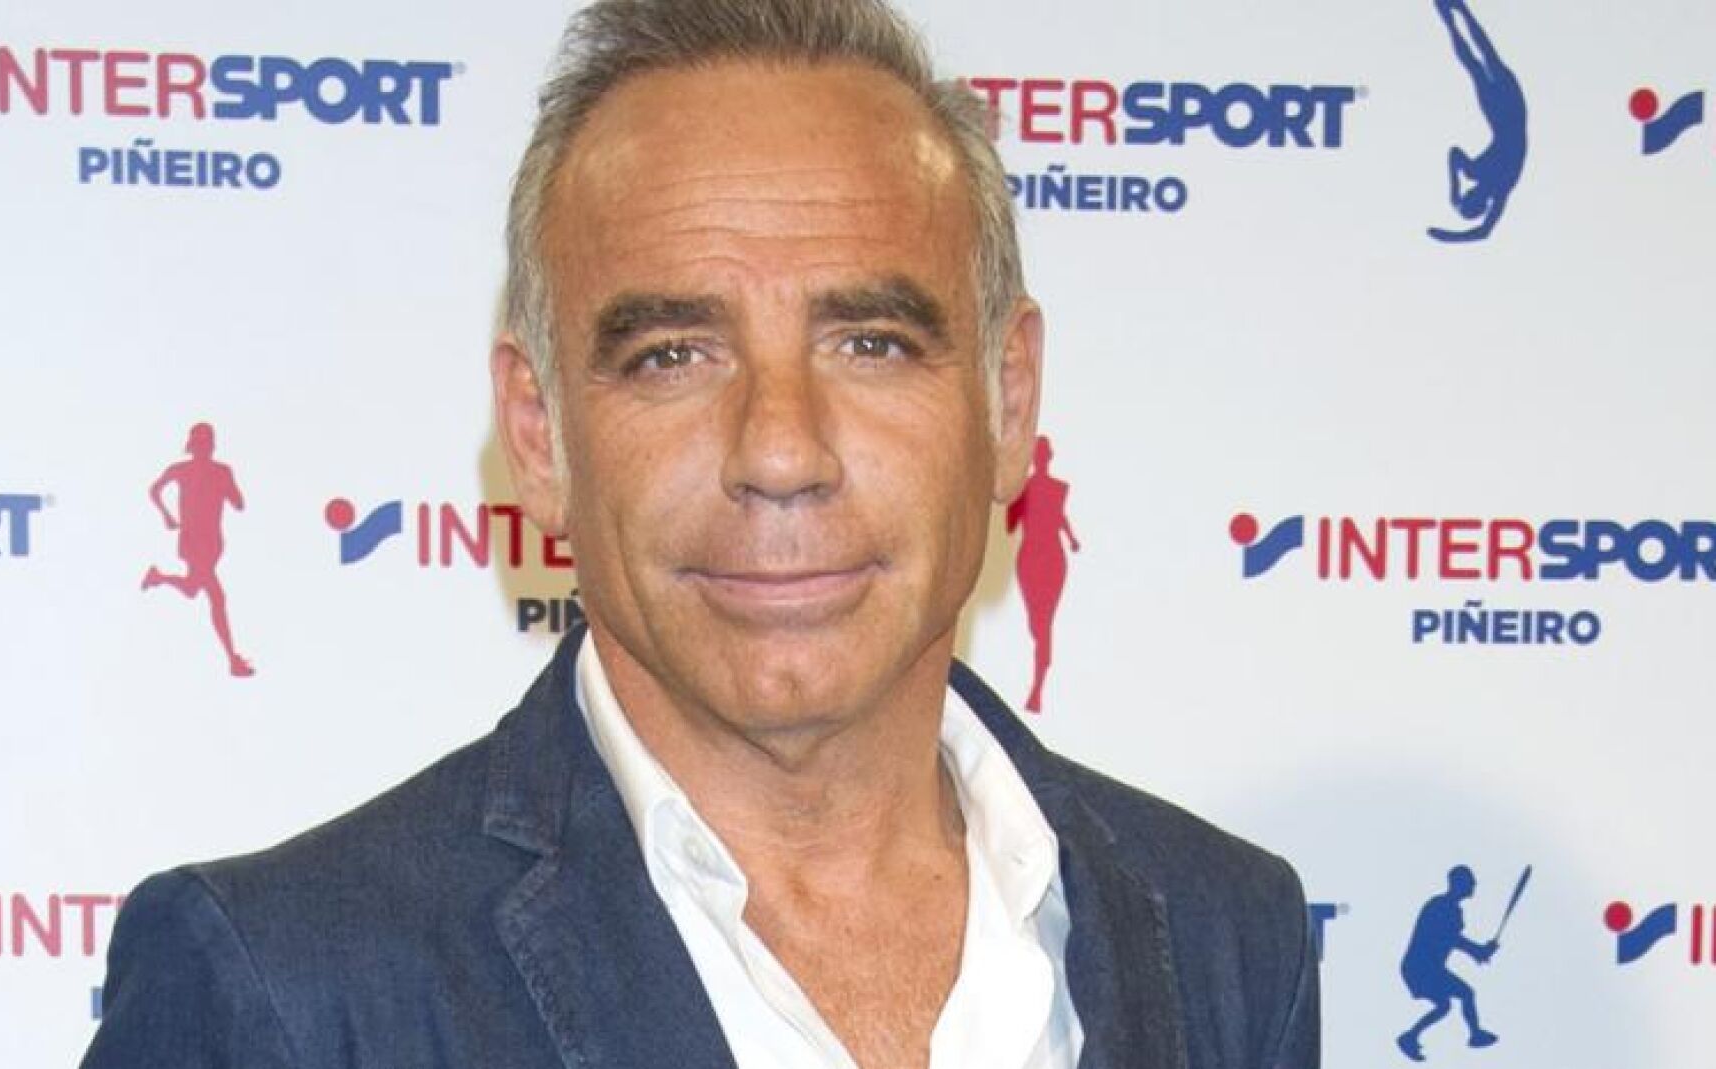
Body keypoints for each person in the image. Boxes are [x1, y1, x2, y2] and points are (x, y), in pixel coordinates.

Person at [83, 2, 1317, 1067]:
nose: (780, 449)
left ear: (1007, 402)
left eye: (870, 343)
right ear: (540, 435)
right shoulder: (289, 989)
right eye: (673, 355)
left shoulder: (1225, 933)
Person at [141, 422, 253, 678]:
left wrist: (226, 488)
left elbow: (239, 504)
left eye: (206, 445)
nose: (203, 450)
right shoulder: (182, 470)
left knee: (192, 589)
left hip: (213, 542)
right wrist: (166, 515)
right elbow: (154, 489)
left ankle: (157, 577)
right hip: (192, 541)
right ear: (193, 447)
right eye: (200, 445)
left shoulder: (221, 471)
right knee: (217, 596)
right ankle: (232, 660)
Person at [1426, 0, 1526, 244]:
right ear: (1479, 199)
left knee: (1475, 66)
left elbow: (1454, 153)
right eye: (1470, 194)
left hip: (1497, 117)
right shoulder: (1500, 186)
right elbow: (1483, 232)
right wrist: (1447, 234)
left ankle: (1451, 19)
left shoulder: (1476, 172)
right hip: (1513, 112)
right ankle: (1461, 11)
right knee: (1487, 58)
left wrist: (1454, 190)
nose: (1470, 189)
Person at [1006, 436, 1080, 713]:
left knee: (1043, 623)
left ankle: (1037, 687)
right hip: (1032, 557)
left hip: (1049, 557)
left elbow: (1058, 519)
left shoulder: (1058, 488)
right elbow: (1013, 524)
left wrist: (1072, 539)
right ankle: (1038, 679)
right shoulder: (1025, 488)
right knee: (1037, 624)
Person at [1396, 866, 1500, 1061]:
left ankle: (1410, 1037)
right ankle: (1475, 1034)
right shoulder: (1443, 907)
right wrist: (1478, 951)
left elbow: (1451, 940)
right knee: (1466, 994)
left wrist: (1479, 952)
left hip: (1423, 967)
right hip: (1421, 967)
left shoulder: (1449, 908)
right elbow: (1451, 938)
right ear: (1459, 884)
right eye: (1470, 882)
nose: (1474, 885)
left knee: (1444, 1005)